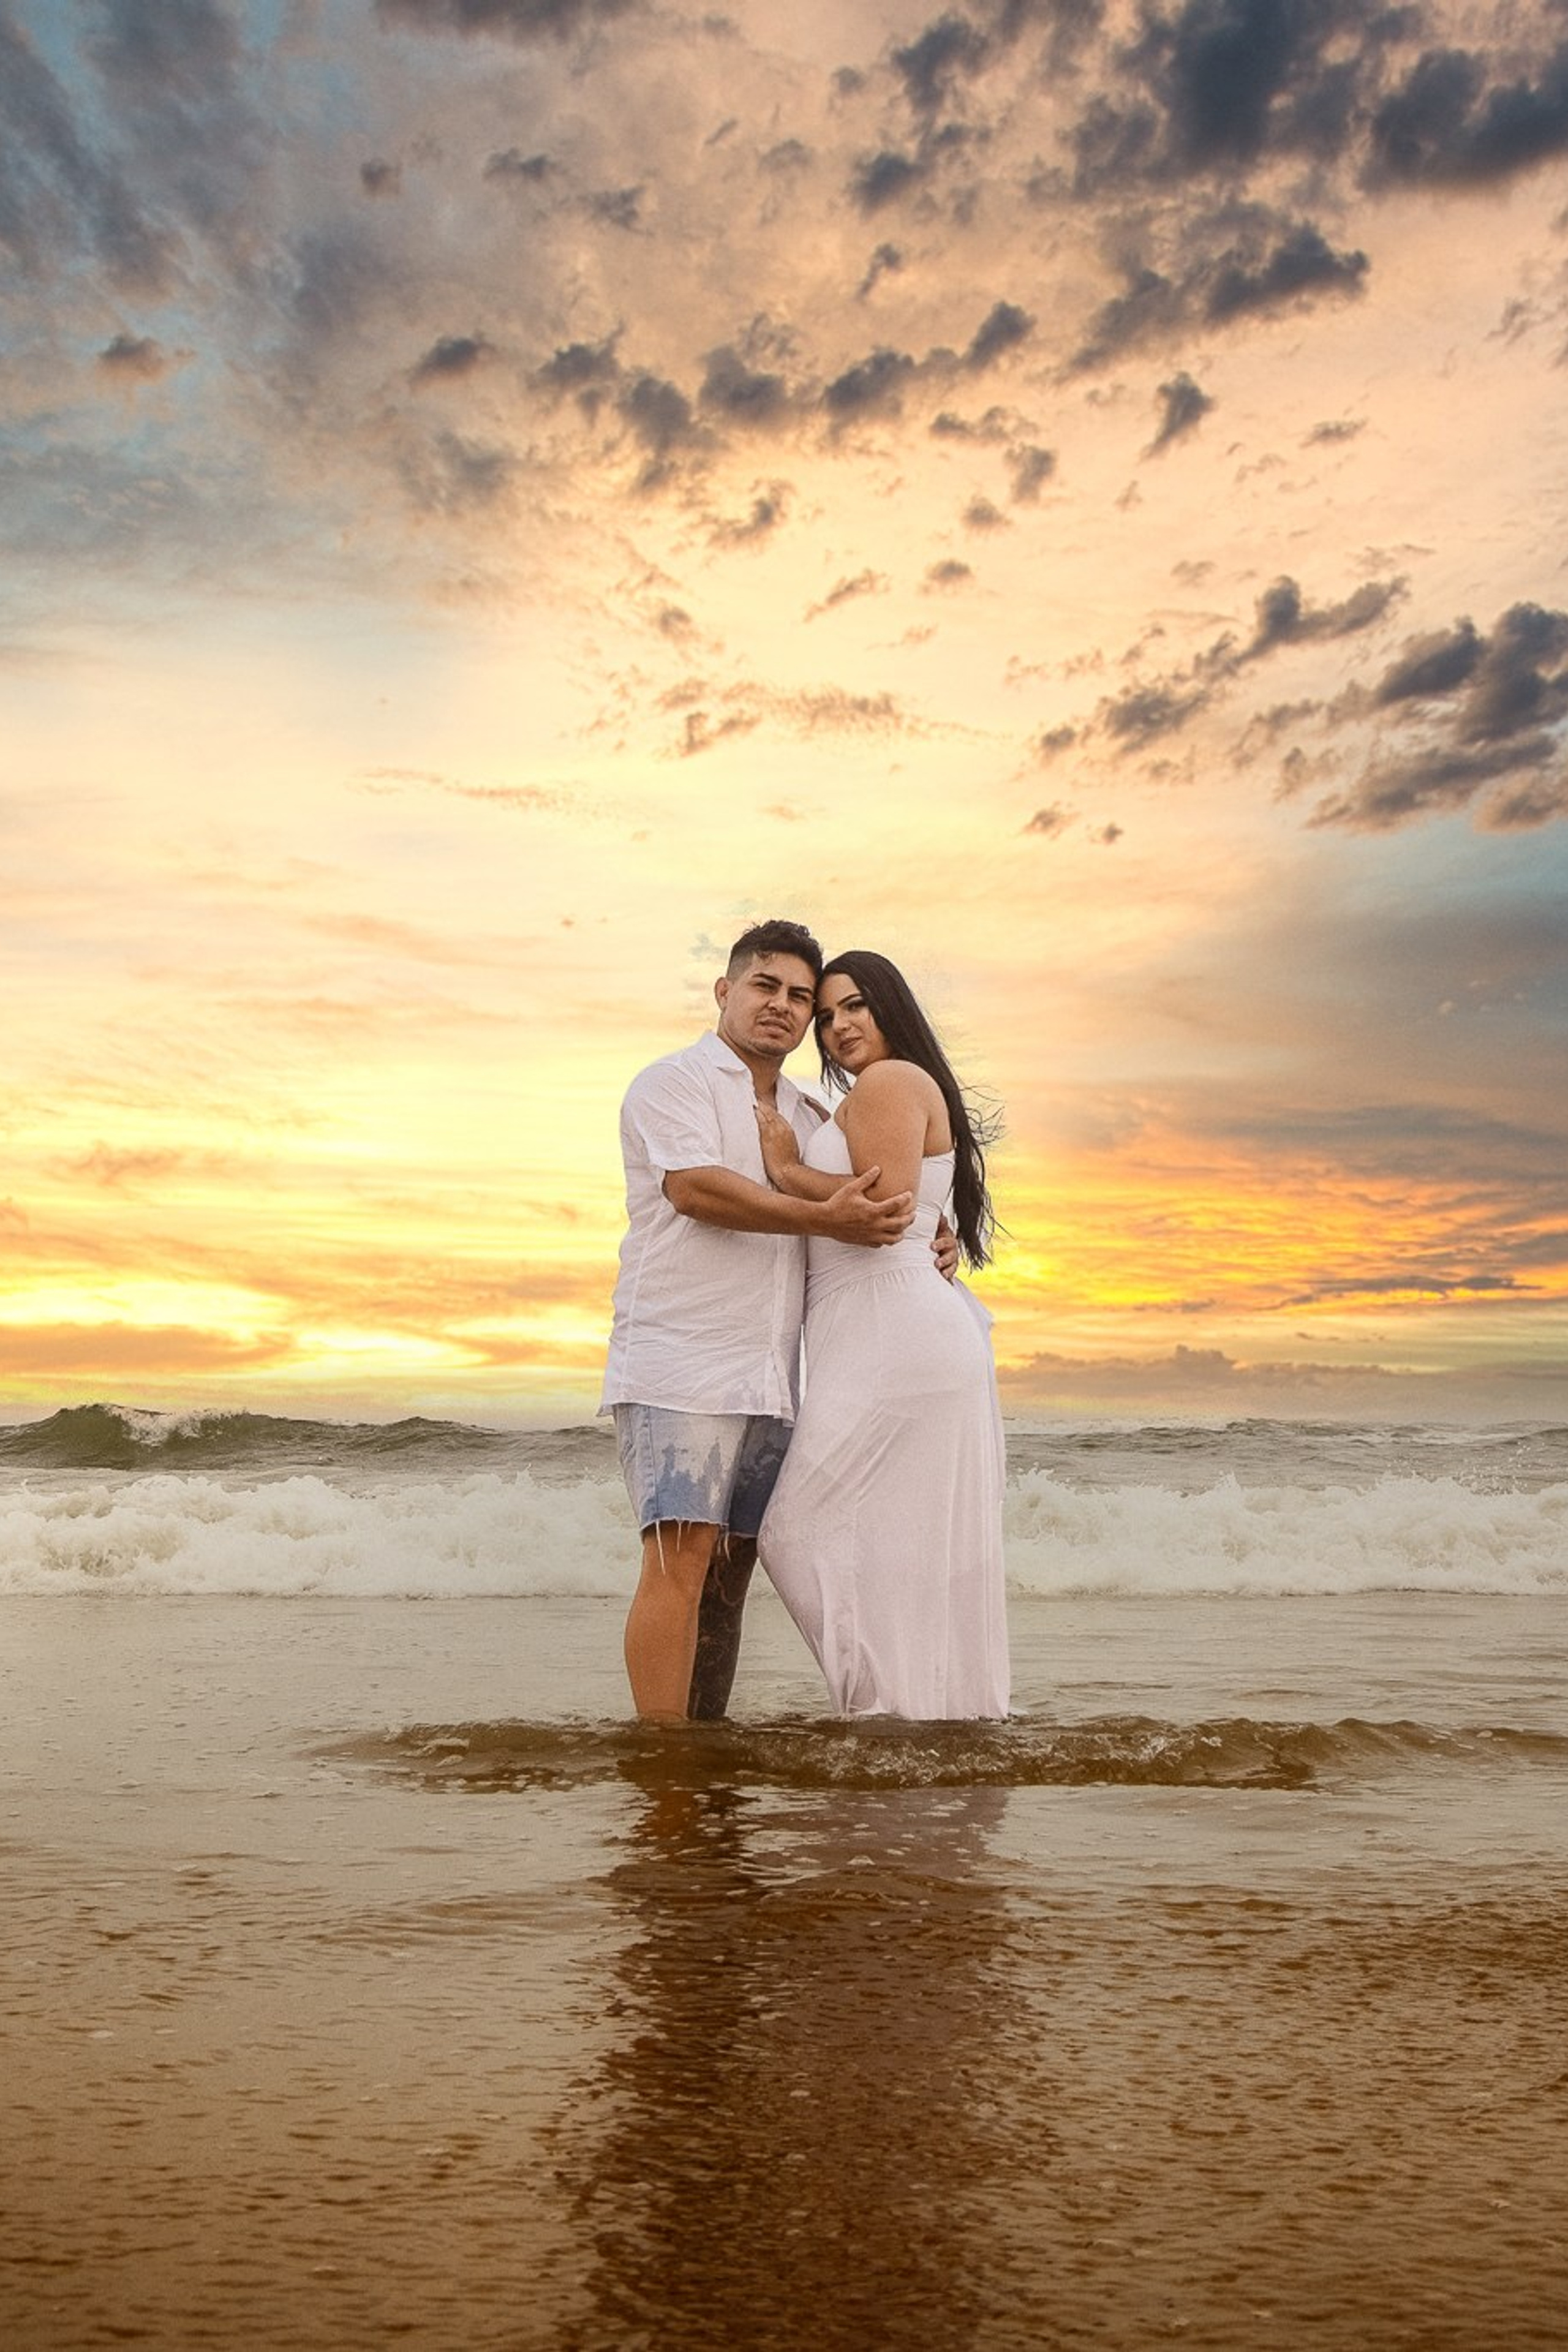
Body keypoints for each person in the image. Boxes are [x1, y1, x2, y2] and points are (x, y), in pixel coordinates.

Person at [605, 919, 936, 1723]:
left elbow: (881, 1190)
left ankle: (704, 1743)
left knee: (729, 1578)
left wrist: (936, 1232)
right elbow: (696, 1190)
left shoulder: (808, 1106)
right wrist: (826, 1217)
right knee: (678, 1569)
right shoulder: (674, 1082)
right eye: (766, 987)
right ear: (726, 991)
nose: (784, 1008)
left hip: (772, 1377)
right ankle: (665, 1762)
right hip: (681, 1363)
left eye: (801, 998)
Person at [755, 951, 1009, 1719]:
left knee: (793, 1526)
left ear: (890, 1008)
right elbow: (910, 1208)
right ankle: (916, 1713)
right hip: (879, 1328)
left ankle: (886, 1710)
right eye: (826, 1017)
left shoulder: (889, 1082)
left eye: (854, 1007)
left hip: (892, 1330)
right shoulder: (867, 1099)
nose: (838, 1028)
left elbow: (886, 1210)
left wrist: (786, 1169)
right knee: (894, 1546)